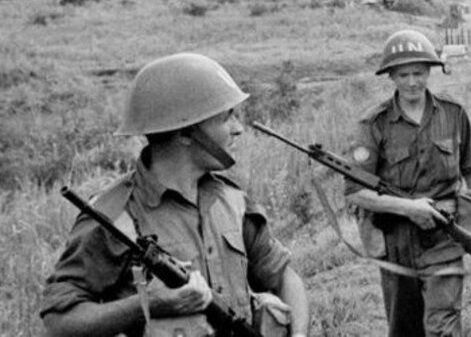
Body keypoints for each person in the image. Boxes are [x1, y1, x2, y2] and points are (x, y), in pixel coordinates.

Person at [40, 52, 309, 337]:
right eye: (226, 117)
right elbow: (59, 320)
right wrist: (148, 304)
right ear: (185, 132)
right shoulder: (113, 217)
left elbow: (284, 278)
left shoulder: (233, 201)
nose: (238, 128)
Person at [345, 30, 471, 337]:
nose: (412, 82)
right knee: (405, 329)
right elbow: (356, 192)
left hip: (445, 239)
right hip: (396, 244)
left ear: (430, 72)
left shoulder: (453, 114)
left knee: (443, 328)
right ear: (391, 77)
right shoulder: (374, 124)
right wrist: (407, 207)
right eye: (404, 74)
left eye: (419, 73)